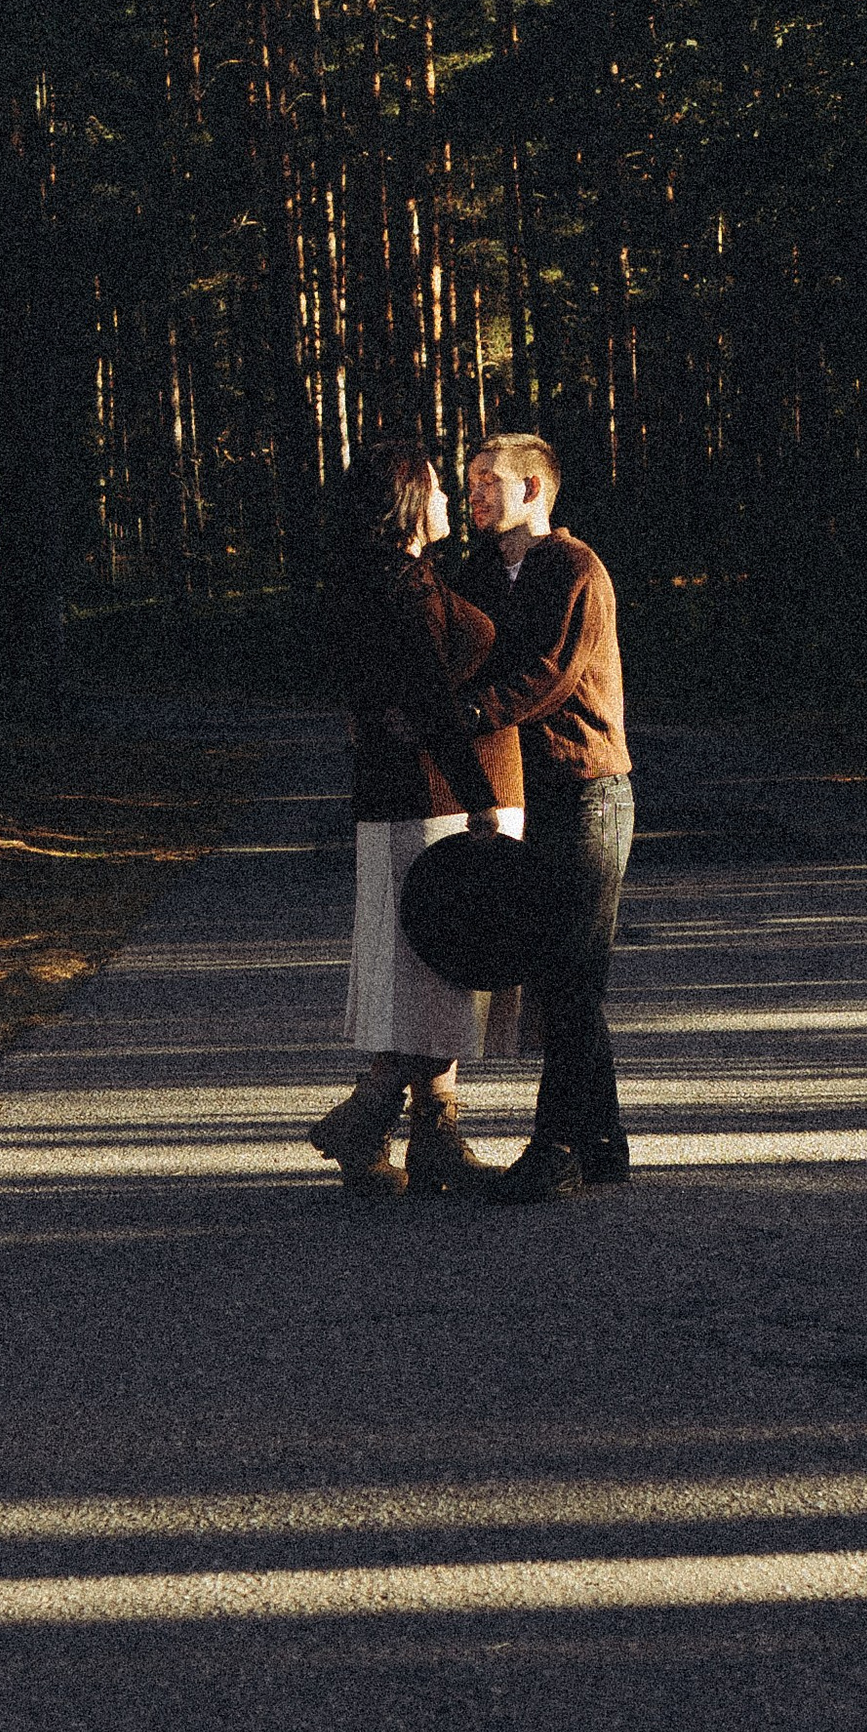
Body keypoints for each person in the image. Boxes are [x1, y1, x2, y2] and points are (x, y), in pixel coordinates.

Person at [309, 438, 524, 1196]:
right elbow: (432, 703)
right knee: (442, 966)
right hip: (432, 802)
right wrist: (482, 802)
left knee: (432, 968)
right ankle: (373, 1115)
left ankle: (419, 1133)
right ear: (406, 502)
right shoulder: (402, 589)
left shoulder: (387, 581)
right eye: (436, 489)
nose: (446, 503)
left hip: (401, 798)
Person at [452, 431, 635, 1204]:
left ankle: (556, 1145)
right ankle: (604, 1142)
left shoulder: (575, 568)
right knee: (559, 976)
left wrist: (468, 713)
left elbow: (551, 676)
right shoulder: (481, 573)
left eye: (490, 481)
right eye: (469, 482)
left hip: (588, 788)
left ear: (536, 490)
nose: (476, 495)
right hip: (528, 793)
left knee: (572, 972)